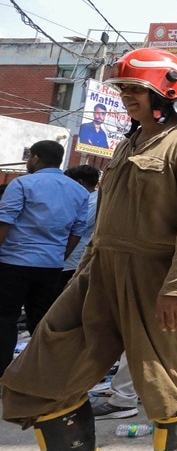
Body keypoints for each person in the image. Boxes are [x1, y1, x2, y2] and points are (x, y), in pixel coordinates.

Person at [0, 48, 177, 451]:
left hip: (154, 279)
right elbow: (104, 218)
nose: (126, 96)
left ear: (165, 92)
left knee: (161, 381)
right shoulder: (129, 143)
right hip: (98, 271)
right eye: (123, 88)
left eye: (136, 88)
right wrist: (84, 269)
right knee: (46, 363)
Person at [0, 140, 90, 377]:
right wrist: (59, 257)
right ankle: (44, 373)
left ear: (36, 158)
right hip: (50, 266)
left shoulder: (22, 184)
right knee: (41, 320)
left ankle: (3, 372)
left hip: (14, 262)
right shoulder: (79, 191)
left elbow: (4, 223)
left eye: (30, 157)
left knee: (5, 318)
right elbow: (76, 233)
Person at [59, 165, 100, 294]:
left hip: (73, 259)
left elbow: (71, 226)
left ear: (79, 183)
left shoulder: (93, 203)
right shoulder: (88, 199)